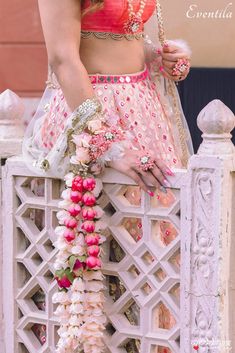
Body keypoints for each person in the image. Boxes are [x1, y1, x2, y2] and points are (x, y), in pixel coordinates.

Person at [22, 1, 194, 352]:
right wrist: (109, 143)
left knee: (153, 246)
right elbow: (63, 58)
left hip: (143, 108)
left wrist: (155, 56)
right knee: (102, 247)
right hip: (91, 113)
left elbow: (118, 35)